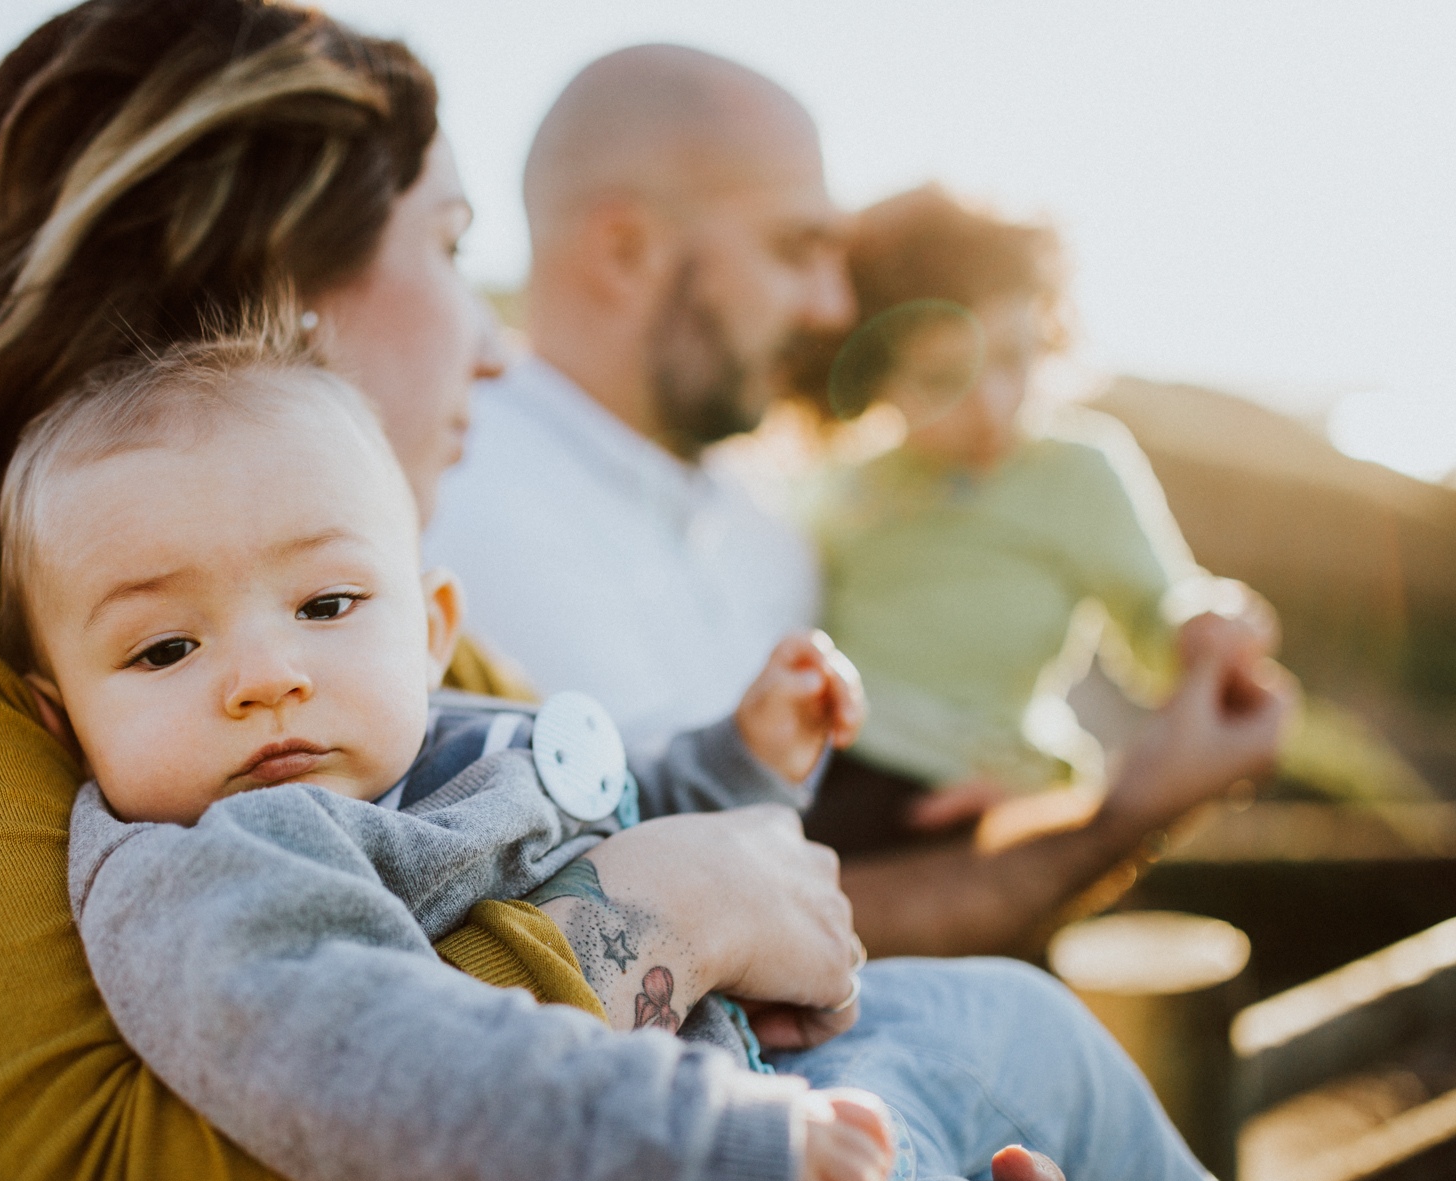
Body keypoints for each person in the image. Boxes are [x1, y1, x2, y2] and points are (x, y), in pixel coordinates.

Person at [0, 5, 1456, 1181]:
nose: (497, 336)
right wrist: (663, 917)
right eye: (445, 249)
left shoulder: (362, 622)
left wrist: (737, 844)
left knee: (1030, 1086)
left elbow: (580, 814)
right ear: (265, 273)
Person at [0, 325, 897, 1181]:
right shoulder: (203, 880)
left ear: (429, 634)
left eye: (326, 602)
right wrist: (716, 1148)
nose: (264, 677)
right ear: (62, 719)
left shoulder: (449, 746)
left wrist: (740, 759)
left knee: (1018, 1040)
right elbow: (396, 1065)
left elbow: (620, 810)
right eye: (165, 649)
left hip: (779, 1141)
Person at [423, 43, 1296, 958]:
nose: (836, 306)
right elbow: (654, 927)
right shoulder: (453, 514)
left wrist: (1034, 798)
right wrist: (1113, 822)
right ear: (625, 247)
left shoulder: (782, 519)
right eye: (797, 249)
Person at [792, 185, 1281, 859]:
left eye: (1011, 359)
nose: (991, 405)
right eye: (941, 379)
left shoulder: (1076, 471)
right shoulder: (846, 481)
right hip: (824, 769)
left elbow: (1155, 612)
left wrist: (1205, 620)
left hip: (969, 786)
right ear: (874, 374)